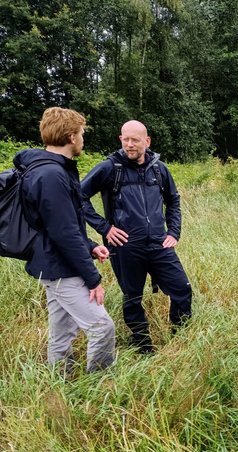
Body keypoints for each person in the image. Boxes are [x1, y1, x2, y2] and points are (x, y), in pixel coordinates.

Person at [15, 107, 115, 374]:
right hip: (60, 266)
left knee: (62, 333)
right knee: (102, 326)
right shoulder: (51, 175)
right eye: (81, 133)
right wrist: (93, 279)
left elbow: (63, 224)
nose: (83, 138)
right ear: (71, 136)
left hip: (53, 262)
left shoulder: (54, 170)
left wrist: (91, 246)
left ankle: (59, 382)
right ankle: (101, 385)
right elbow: (64, 233)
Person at [81, 120, 191, 354]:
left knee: (182, 289)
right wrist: (105, 228)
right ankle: (142, 345)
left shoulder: (159, 169)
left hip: (159, 243)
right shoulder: (110, 168)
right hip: (125, 246)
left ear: (147, 141)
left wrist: (173, 232)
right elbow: (78, 197)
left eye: (135, 140)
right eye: (125, 139)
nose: (129, 145)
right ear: (121, 139)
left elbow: (173, 200)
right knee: (133, 296)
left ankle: (180, 337)